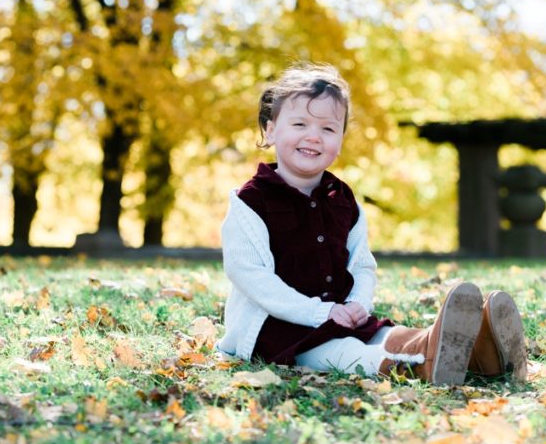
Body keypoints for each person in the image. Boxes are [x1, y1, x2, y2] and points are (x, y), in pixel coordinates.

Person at [217, 63, 527, 385]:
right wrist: (318, 313)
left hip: (339, 317)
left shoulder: (343, 200)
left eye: (328, 129)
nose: (313, 136)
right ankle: (423, 365)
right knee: (346, 351)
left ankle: (479, 355)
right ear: (270, 130)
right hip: (279, 332)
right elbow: (250, 276)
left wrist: (357, 304)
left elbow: (362, 264)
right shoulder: (250, 201)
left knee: (389, 334)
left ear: (340, 138)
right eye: (299, 124)